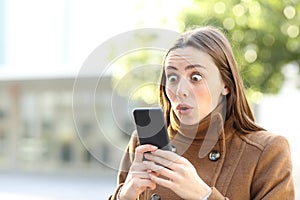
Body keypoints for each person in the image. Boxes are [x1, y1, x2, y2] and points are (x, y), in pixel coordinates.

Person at [109, 26, 295, 199]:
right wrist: (124, 195)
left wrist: (204, 194)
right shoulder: (143, 144)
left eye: (196, 77)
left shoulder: (267, 151)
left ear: (226, 85)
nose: (180, 90)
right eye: (172, 77)